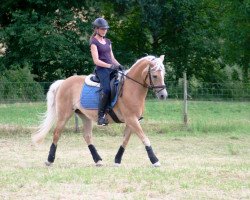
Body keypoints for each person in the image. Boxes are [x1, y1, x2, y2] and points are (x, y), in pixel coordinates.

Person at [89, 17, 122, 126]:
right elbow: (96, 61)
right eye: (102, 29)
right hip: (101, 70)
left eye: (106, 29)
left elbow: (112, 57)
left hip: (111, 68)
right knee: (107, 89)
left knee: (121, 84)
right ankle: (101, 116)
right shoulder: (93, 42)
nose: (105, 31)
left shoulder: (108, 41)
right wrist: (109, 66)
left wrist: (119, 65)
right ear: (96, 29)